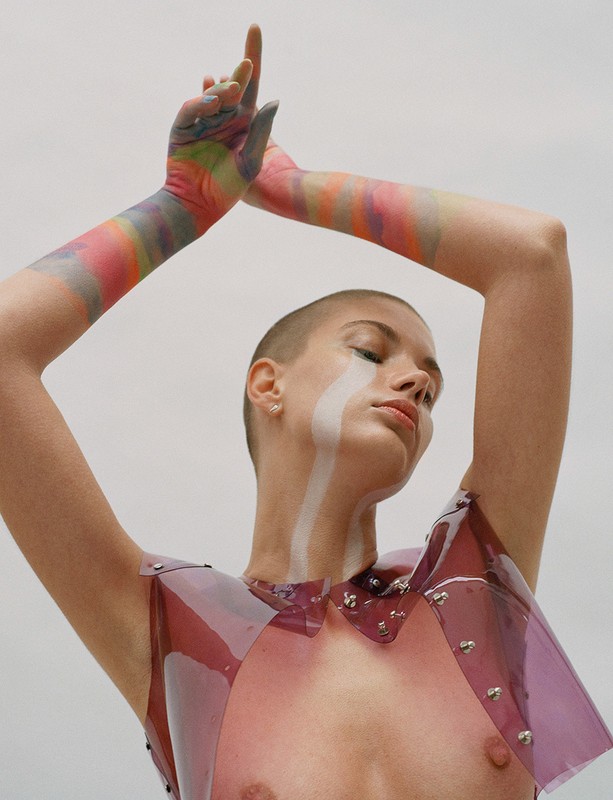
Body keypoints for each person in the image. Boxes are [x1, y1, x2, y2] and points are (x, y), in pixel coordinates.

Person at [0, 24, 610, 800]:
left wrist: (290, 187)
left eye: (430, 386)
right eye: (370, 350)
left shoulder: (475, 589)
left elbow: (530, 253)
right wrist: (181, 206)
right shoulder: (168, 631)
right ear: (268, 385)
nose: (414, 383)